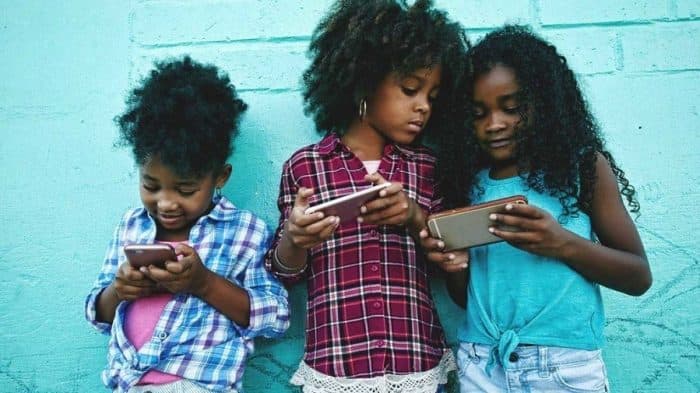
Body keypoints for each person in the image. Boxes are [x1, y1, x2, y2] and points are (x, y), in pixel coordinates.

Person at [422, 25, 652, 392]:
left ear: (544, 102)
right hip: (483, 362)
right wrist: (456, 266)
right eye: (478, 113)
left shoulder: (582, 169)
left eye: (512, 108)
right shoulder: (467, 182)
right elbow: (466, 299)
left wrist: (559, 242)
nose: (494, 124)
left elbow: (638, 277)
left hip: (563, 366)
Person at [264, 1, 469, 391]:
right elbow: (283, 272)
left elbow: (452, 261)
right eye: (410, 89)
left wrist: (413, 216)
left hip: (414, 359)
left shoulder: (426, 167)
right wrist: (295, 239)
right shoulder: (306, 167)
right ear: (363, 80)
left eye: (433, 95)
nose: (423, 105)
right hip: (337, 362)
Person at [85, 56, 289, 393]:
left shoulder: (243, 232)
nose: (165, 203)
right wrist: (119, 291)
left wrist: (204, 283)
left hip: (198, 384)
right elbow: (98, 313)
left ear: (219, 177)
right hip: (128, 383)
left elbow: (277, 317)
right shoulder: (130, 226)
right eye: (151, 186)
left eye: (186, 190)